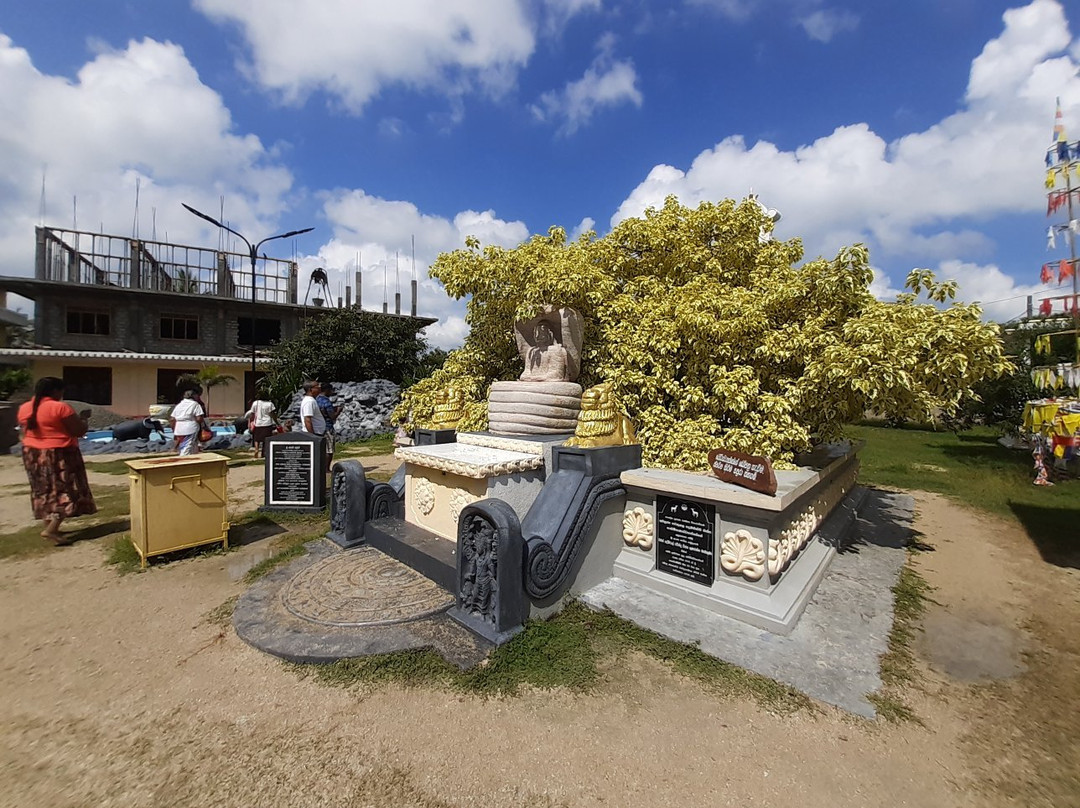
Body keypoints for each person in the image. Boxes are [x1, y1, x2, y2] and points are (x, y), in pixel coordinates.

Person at [17, 376, 97, 545]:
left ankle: (50, 525)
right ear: (55, 391)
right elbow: (78, 430)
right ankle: (51, 529)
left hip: (32, 454)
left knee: (44, 489)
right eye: (61, 391)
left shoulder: (24, 408)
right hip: (59, 453)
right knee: (65, 488)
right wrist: (84, 418)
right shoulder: (60, 408)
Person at [299, 380, 331, 470]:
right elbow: (307, 419)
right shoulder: (309, 402)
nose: (320, 387)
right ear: (310, 389)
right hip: (315, 433)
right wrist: (312, 436)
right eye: (317, 386)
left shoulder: (312, 400)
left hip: (318, 433)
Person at [243, 386, 277, 459]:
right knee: (266, 439)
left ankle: (256, 449)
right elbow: (272, 414)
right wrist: (276, 421)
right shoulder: (270, 404)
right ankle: (263, 453)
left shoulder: (255, 403)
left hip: (258, 423)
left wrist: (250, 422)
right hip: (267, 423)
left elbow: (252, 414)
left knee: (256, 438)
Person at [170, 388, 206, 456]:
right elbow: (199, 418)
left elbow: (172, 419)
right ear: (194, 396)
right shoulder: (195, 404)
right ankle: (184, 463)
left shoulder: (179, 405)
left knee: (192, 447)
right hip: (190, 428)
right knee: (186, 448)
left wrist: (174, 429)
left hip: (179, 428)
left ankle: (194, 461)